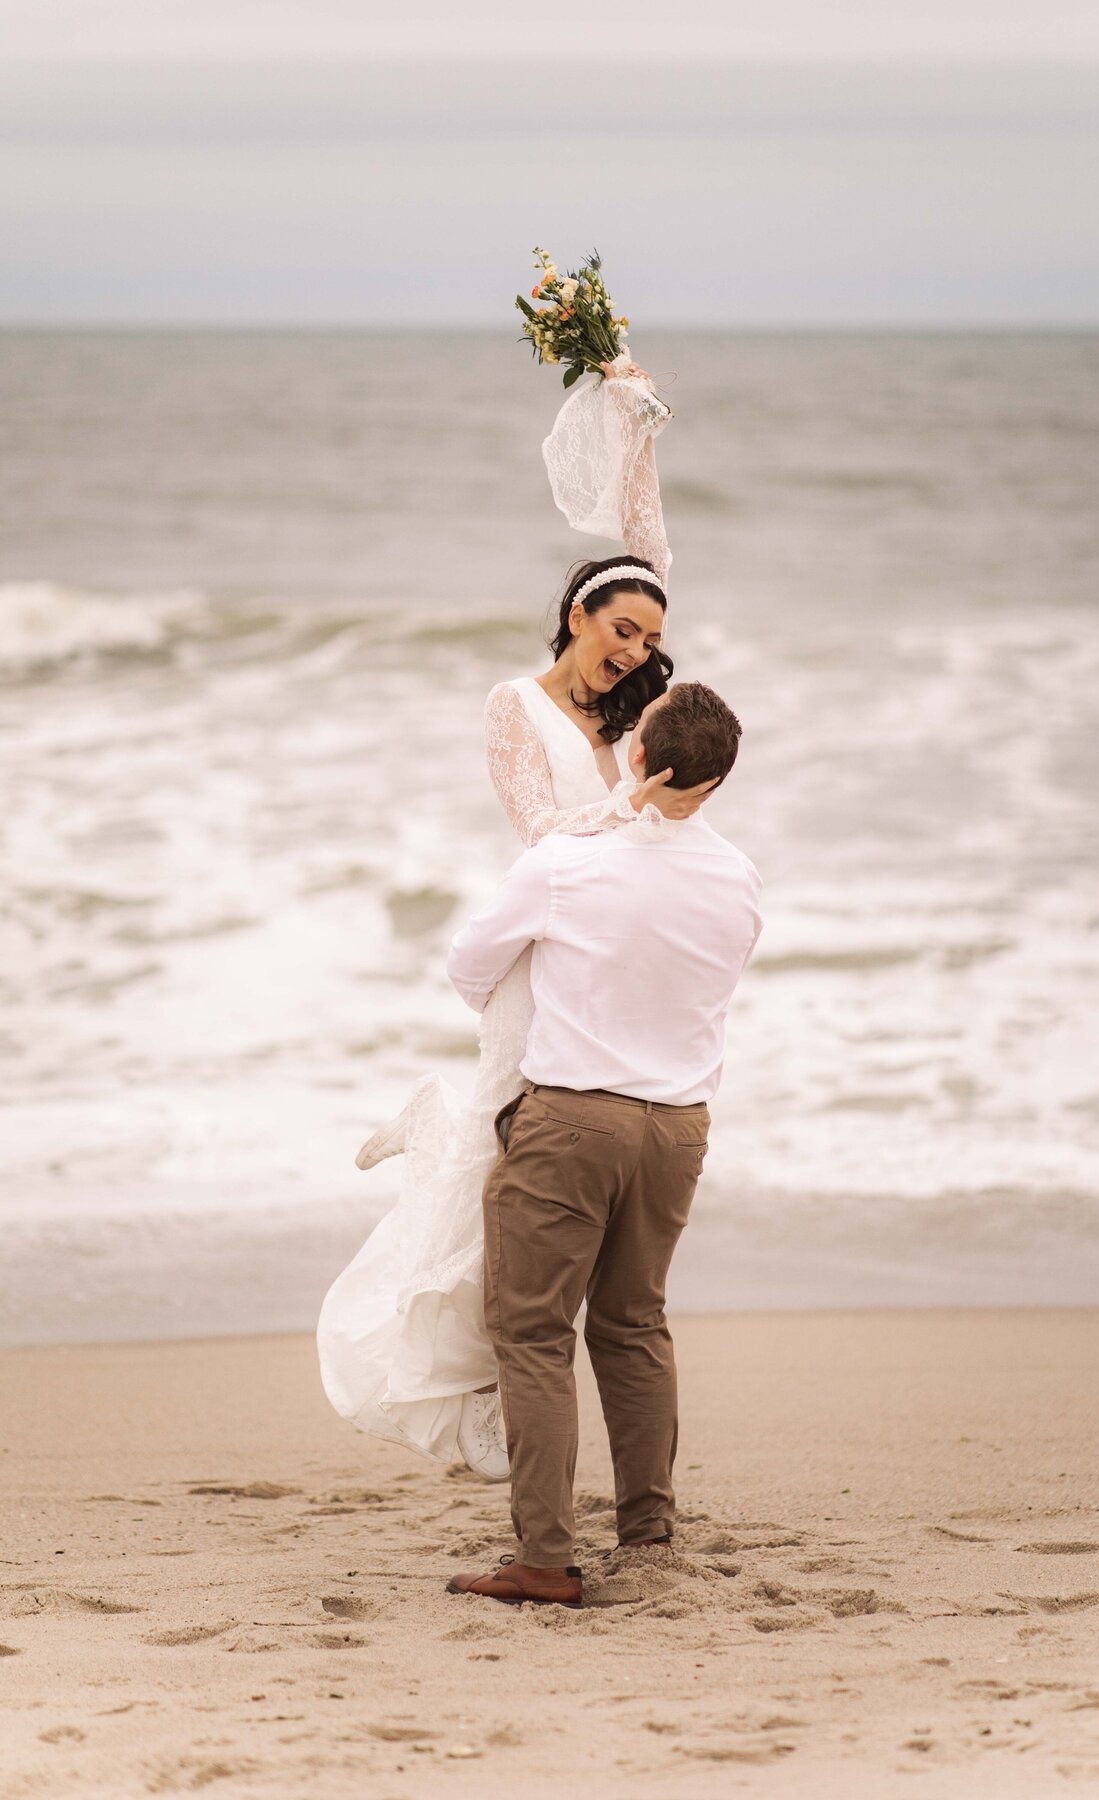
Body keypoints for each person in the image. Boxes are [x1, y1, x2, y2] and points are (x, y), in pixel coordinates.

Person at [316, 359, 713, 1478]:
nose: (635, 650)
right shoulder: (515, 708)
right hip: (544, 946)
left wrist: (635, 422)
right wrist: (628, 808)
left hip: (618, 944)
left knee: (558, 1182)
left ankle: (504, 1347)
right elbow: (541, 831)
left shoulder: (640, 717)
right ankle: (486, 1373)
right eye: (620, 628)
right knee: (508, 1159)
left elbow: (653, 546)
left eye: (648, 637)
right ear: (578, 614)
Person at [443, 682, 762, 1606]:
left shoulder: (566, 865)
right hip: (678, 1129)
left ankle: (544, 1559)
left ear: (636, 759)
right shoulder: (738, 876)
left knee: (534, 1332)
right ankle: (648, 1534)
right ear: (715, 781)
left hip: (574, 1119)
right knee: (634, 1326)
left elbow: (469, 966)